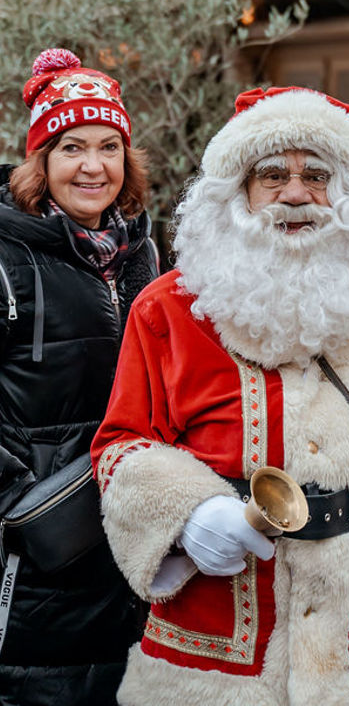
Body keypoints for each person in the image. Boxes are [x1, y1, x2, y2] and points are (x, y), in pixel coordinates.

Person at [89, 86, 349, 706]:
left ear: (347, 191)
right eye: (272, 175)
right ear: (237, 189)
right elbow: (119, 445)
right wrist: (186, 513)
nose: (295, 194)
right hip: (210, 657)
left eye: (317, 176)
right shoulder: (169, 309)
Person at [0, 48, 158, 704]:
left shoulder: (143, 252)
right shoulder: (7, 259)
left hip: (134, 557)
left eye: (108, 146)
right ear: (40, 160)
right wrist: (20, 504)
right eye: (71, 147)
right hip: (36, 570)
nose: (93, 166)